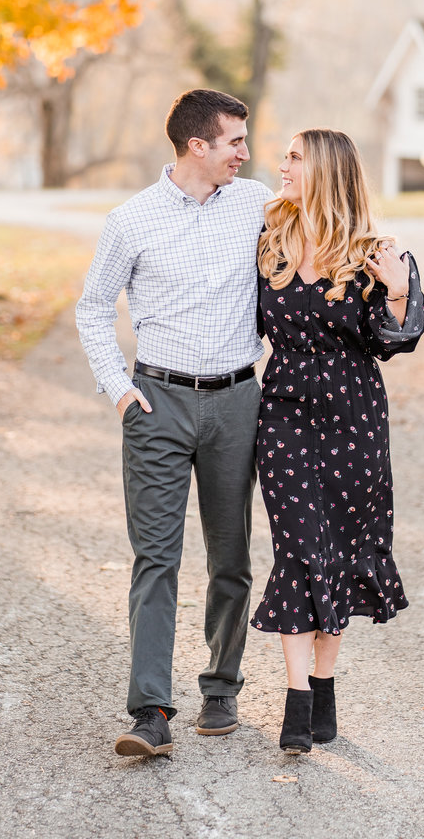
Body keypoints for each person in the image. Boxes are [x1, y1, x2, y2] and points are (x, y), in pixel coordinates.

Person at [75, 88, 271, 758]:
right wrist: (120, 391)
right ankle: (150, 710)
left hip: (238, 401)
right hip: (157, 403)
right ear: (198, 146)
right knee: (156, 558)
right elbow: (92, 309)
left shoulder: (258, 203)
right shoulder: (130, 220)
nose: (245, 153)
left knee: (232, 556)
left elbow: (321, 237)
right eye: (234, 142)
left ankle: (221, 685)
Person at [250, 129, 424, 753]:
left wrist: (398, 290)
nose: (281, 166)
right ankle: (298, 699)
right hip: (284, 411)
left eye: (294, 158)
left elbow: (395, 340)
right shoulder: (270, 241)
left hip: (354, 416)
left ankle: (324, 685)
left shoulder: (377, 250)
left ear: (325, 169)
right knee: (298, 546)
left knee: (344, 550)